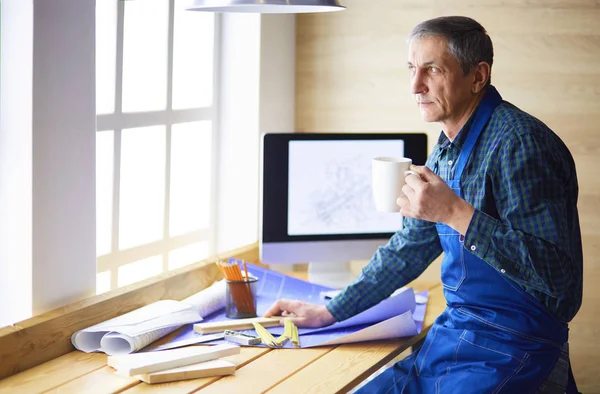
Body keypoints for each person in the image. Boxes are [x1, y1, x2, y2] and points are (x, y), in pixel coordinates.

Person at [264, 15, 583, 394]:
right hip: (455, 336)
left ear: (477, 77)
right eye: (412, 69)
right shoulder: (447, 150)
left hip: (515, 348)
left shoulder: (520, 144)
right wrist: (330, 312)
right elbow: (406, 251)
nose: (416, 86)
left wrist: (455, 213)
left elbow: (561, 281)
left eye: (432, 69)